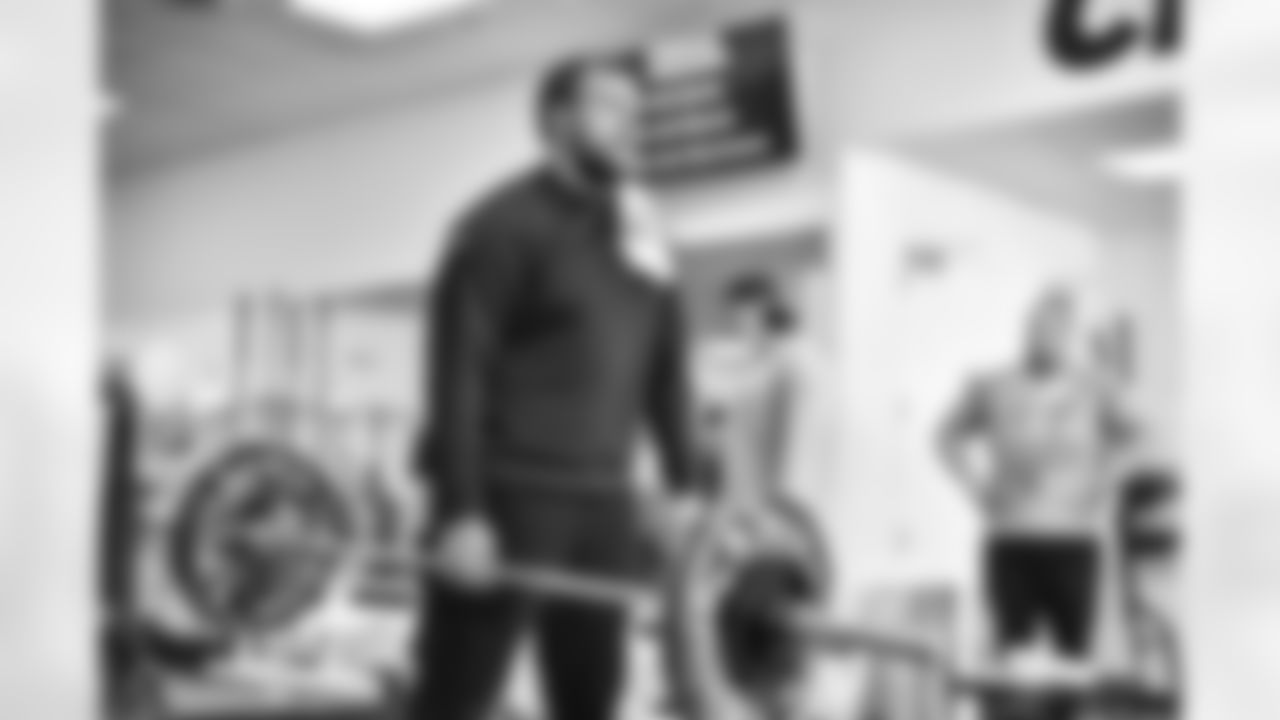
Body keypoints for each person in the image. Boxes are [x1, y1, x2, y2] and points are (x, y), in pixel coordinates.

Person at [410, 54, 706, 720]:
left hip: (605, 504)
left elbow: (667, 367)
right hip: (508, 495)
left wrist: (685, 485)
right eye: (609, 107)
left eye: (636, 112)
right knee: (456, 699)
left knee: (591, 699)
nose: (629, 124)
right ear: (556, 120)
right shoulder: (498, 226)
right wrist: (460, 510)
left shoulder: (645, 236)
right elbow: (458, 372)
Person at [937, 286, 1134, 686]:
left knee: (1073, 664)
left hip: (1073, 541)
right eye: (1037, 326)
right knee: (1010, 665)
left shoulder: (1095, 386)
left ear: (1069, 335)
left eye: (1057, 328)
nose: (1045, 336)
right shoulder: (989, 384)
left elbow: (1134, 436)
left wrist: (1105, 483)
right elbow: (945, 437)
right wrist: (975, 489)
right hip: (1011, 540)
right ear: (1024, 328)